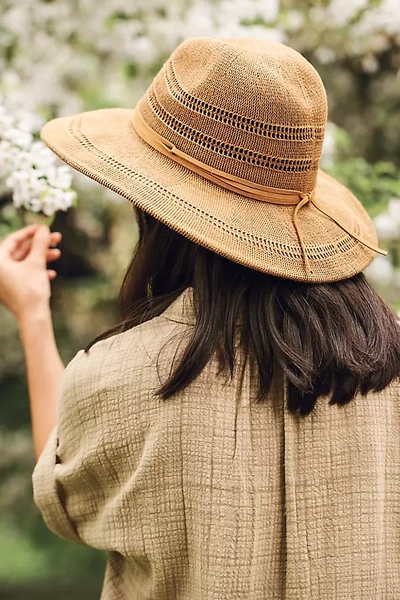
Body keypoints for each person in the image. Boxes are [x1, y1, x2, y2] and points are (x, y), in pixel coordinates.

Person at [0, 37, 399, 600]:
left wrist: (32, 311)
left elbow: (64, 489)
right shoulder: (387, 359)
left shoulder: (133, 373)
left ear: (153, 205)